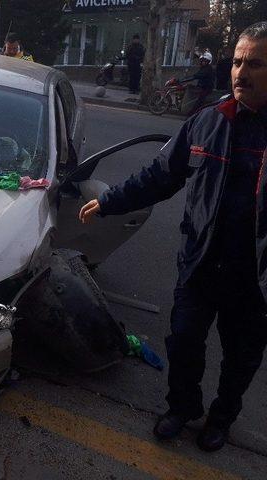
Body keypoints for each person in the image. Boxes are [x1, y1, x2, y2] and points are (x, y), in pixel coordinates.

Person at [79, 21, 267, 452]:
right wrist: (110, 202)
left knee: (242, 359)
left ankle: (221, 420)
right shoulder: (207, 121)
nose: (241, 72)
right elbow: (160, 175)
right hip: (201, 262)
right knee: (184, 341)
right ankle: (182, 408)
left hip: (254, 280)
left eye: (255, 63)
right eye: (237, 61)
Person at [183, 51, 215, 115]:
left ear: (208, 61)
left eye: (205, 61)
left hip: (206, 88)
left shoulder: (207, 69)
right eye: (202, 60)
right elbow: (197, 74)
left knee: (200, 100)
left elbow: (198, 75)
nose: (203, 62)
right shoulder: (203, 68)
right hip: (202, 86)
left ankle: (192, 113)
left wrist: (186, 79)